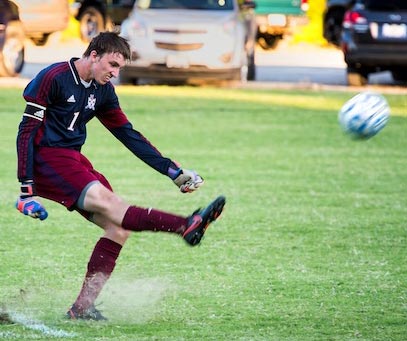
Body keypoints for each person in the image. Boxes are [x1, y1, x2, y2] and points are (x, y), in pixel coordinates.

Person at [15, 32, 226, 321]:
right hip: (47, 159)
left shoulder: (103, 91)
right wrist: (26, 189)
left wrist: (171, 171)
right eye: (112, 65)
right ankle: (186, 225)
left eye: (119, 68)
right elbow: (26, 131)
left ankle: (82, 308)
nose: (115, 73)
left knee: (118, 227)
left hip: (74, 160)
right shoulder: (54, 77)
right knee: (109, 203)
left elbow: (127, 134)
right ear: (93, 55)